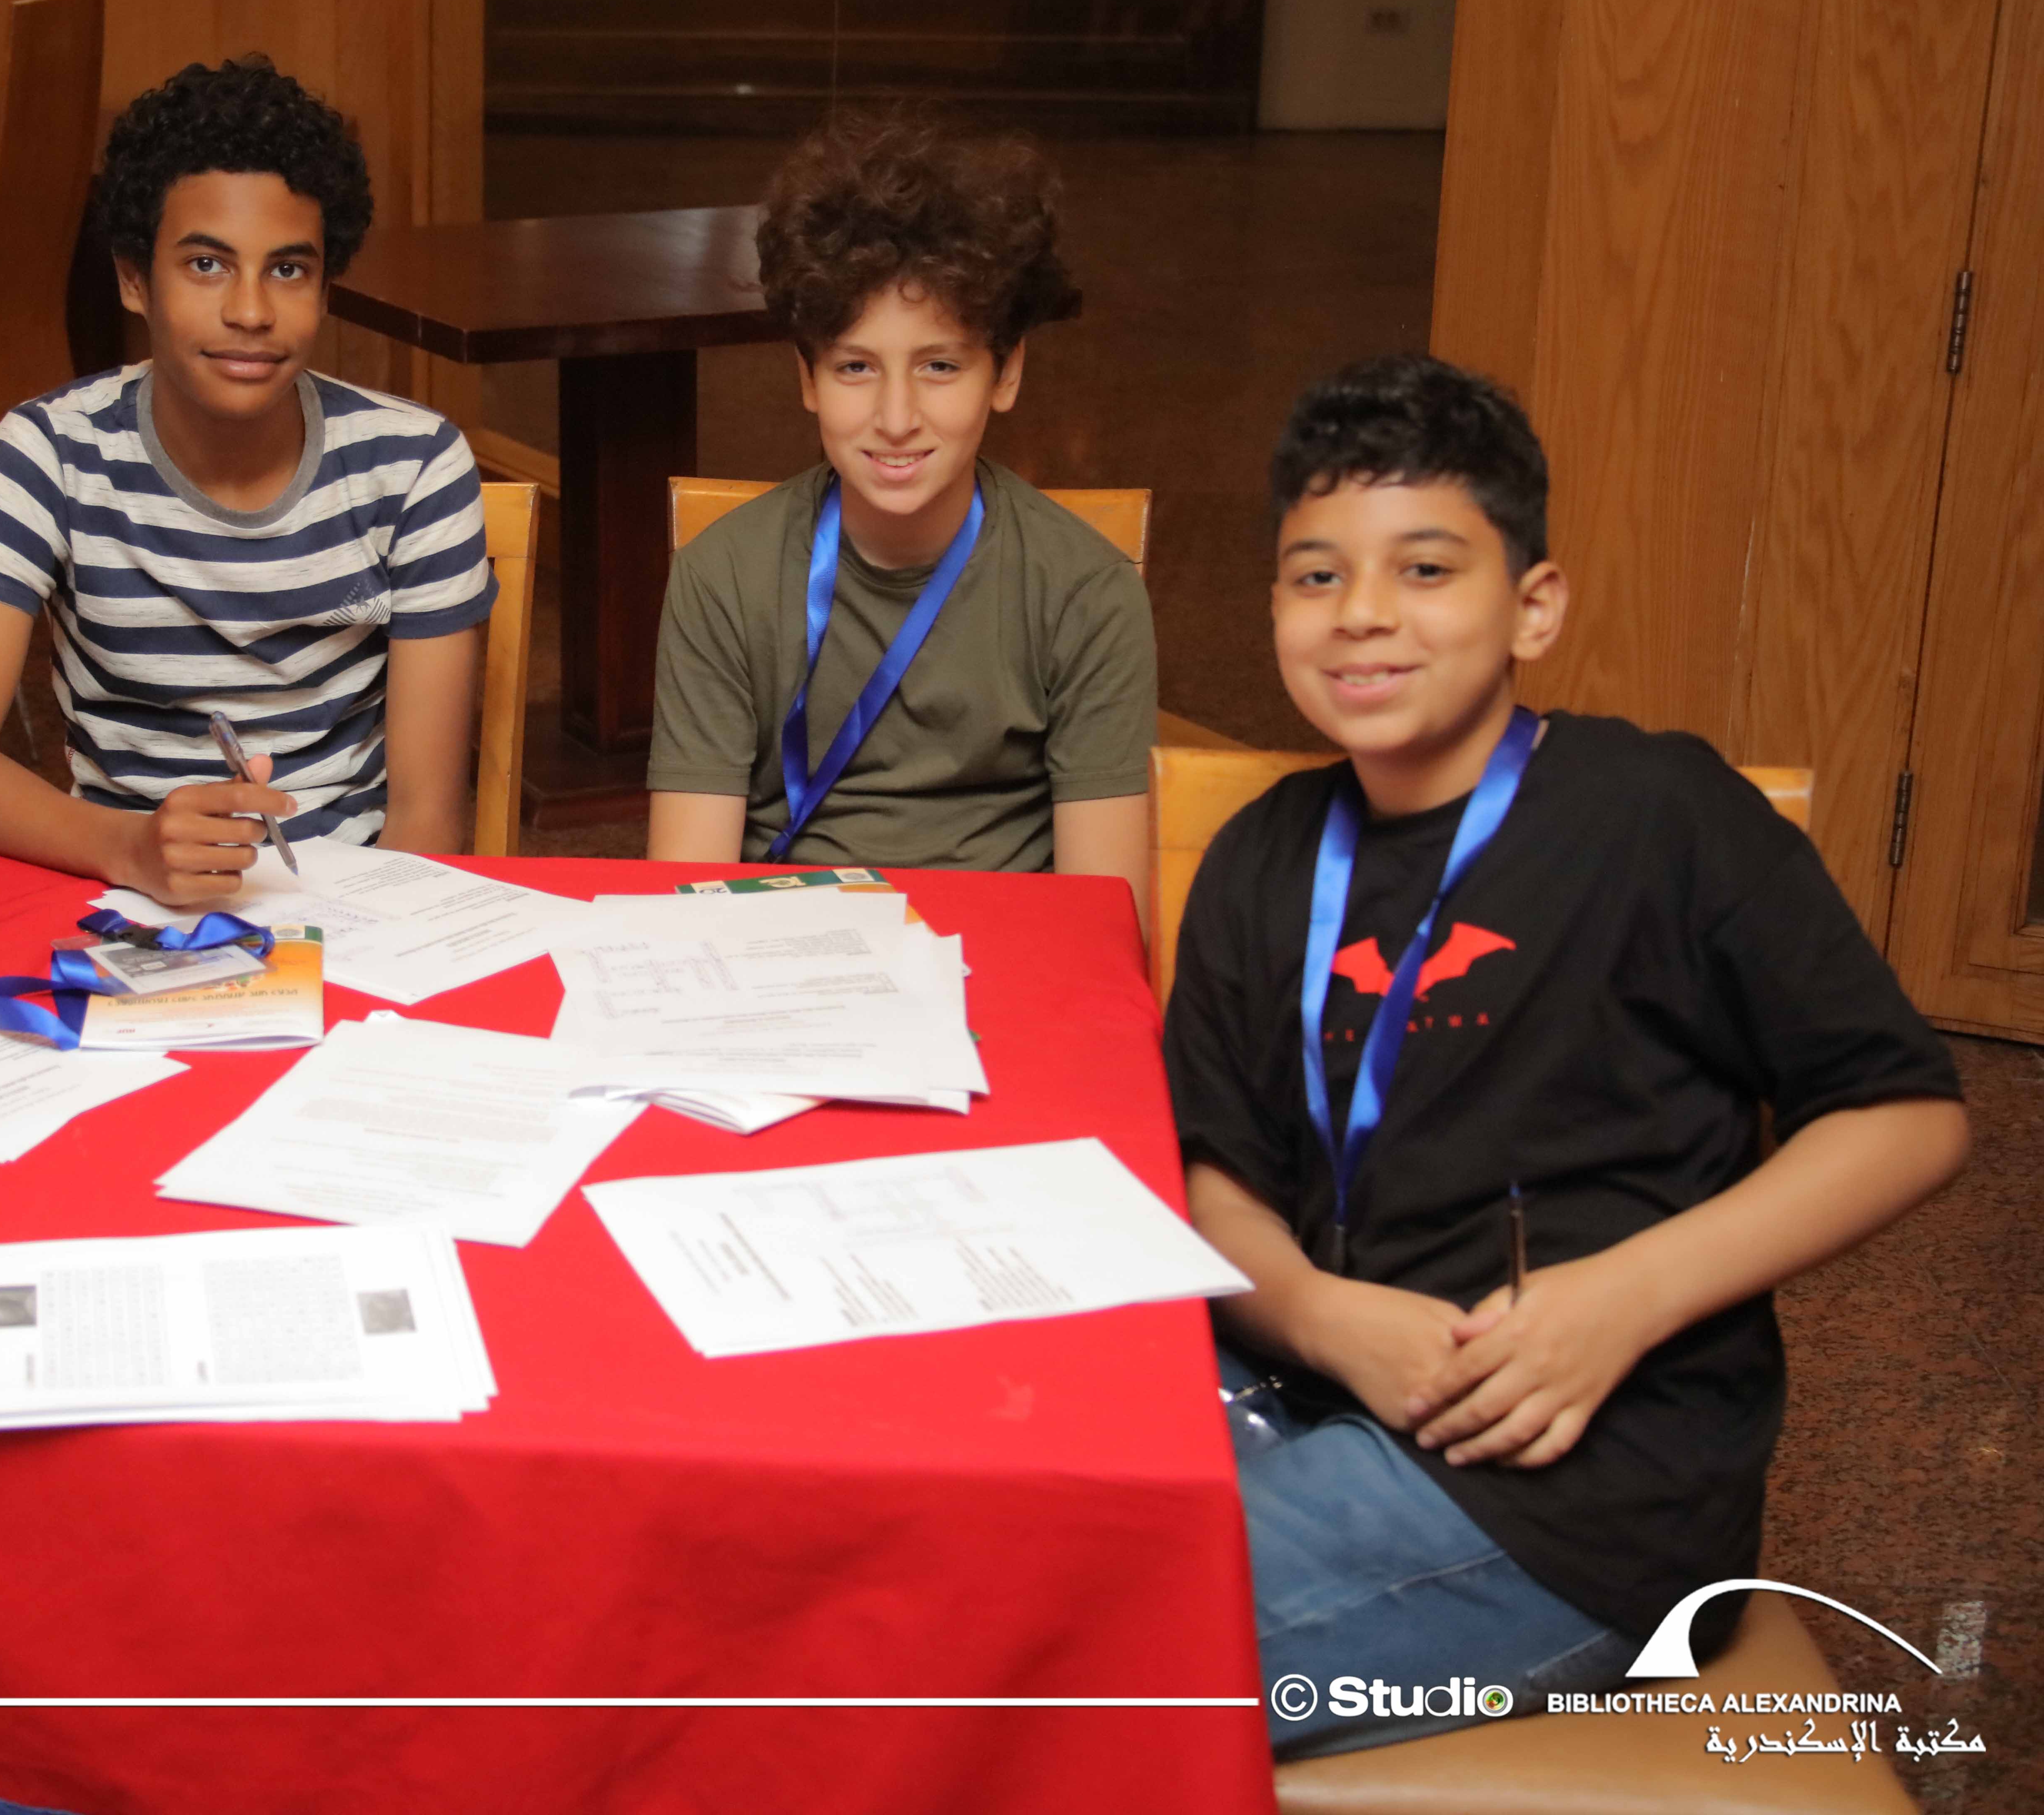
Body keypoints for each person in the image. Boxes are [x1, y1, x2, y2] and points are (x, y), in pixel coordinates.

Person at [1165, 354, 1969, 1756]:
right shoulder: (1262, 857)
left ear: (1534, 607)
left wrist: (1625, 1297)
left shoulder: (1659, 813)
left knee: (1069, 1647)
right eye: (1316, 576)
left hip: (1562, 1490)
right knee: (983, 1520)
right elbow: (1216, 1173)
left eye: (1426, 570)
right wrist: (1317, 1313)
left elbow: (1909, 1117)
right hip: (1311, 1378)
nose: (1363, 613)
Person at [0, 56, 495, 903]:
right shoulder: (50, 455)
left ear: (326, 288)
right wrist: (131, 849)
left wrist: (360, 945)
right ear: (134, 279)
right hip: (118, 891)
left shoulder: (414, 465)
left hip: (356, 902)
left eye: (288, 269)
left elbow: (426, 819)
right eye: (207, 265)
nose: (251, 312)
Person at [643, 109, 1156, 924]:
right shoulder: (725, 577)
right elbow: (687, 901)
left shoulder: (1086, 594)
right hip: (782, 953)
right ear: (807, 379)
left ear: (1007, 373)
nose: (896, 418)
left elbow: (1104, 924)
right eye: (855, 367)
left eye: (940, 366)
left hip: (1002, 959)